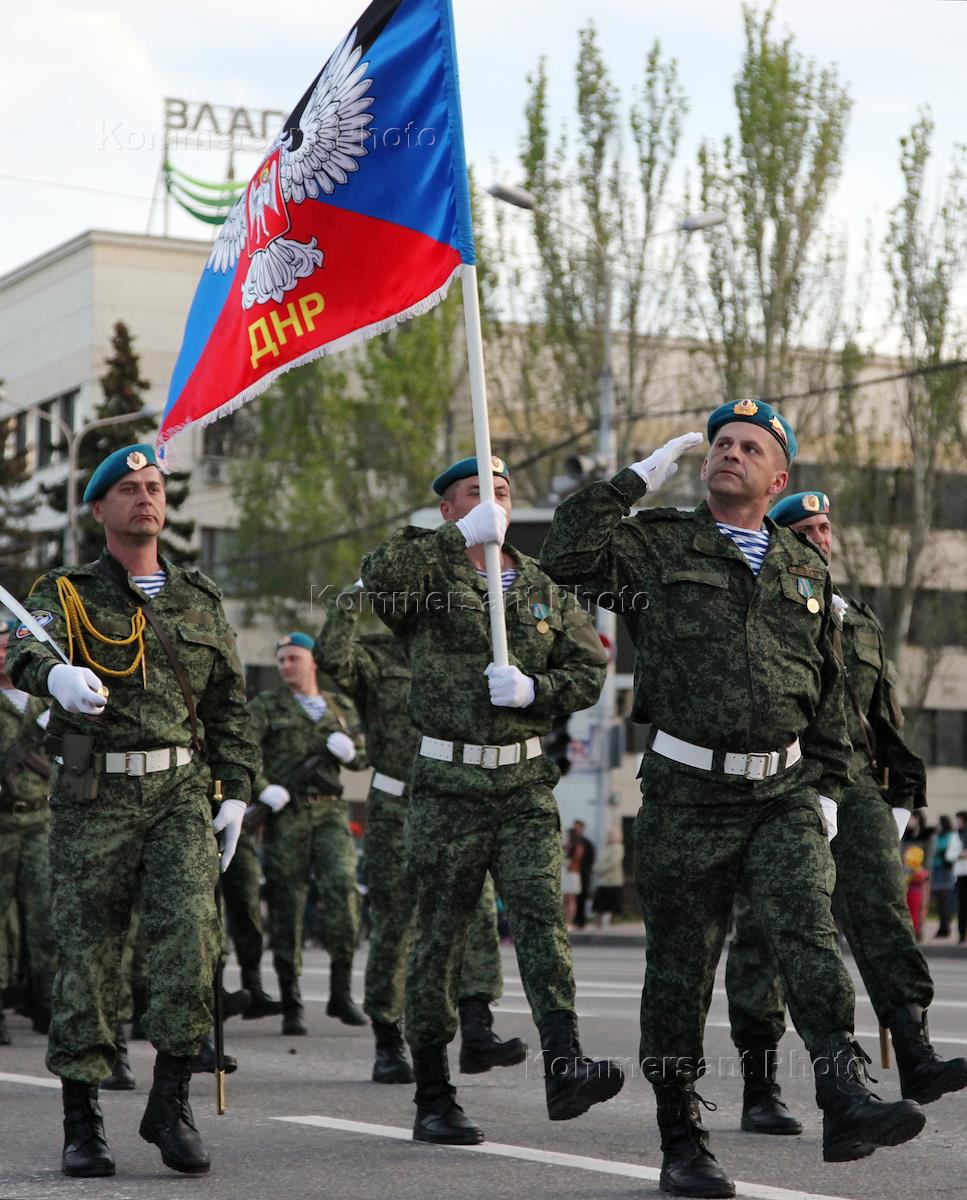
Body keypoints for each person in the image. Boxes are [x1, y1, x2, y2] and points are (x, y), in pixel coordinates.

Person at [541, 404, 925, 1196]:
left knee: (808, 934)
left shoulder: (802, 565)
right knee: (680, 971)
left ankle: (842, 1096)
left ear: (776, 479)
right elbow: (566, 557)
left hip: (782, 791)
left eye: (749, 448)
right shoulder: (657, 545)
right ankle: (680, 1136)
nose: (729, 452)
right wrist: (631, 481)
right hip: (686, 794)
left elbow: (828, 690)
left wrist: (825, 789)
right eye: (721, 443)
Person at [8, 443, 258, 1179]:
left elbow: (229, 707)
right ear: (99, 509)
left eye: (154, 487)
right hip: (96, 796)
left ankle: (170, 1100)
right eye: (128, 489)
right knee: (88, 953)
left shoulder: (199, 597)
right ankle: (81, 1121)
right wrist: (55, 675)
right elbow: (24, 647)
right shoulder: (66, 590)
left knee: (191, 942)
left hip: (180, 793)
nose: (145, 497)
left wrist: (237, 791)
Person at [361, 455, 624, 1145]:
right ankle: (433, 1093)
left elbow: (588, 668)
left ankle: (564, 1064)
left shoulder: (539, 586)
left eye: (502, 492)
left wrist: (537, 691)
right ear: (449, 508)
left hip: (523, 779)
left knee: (540, 918)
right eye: (477, 492)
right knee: (439, 936)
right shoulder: (427, 574)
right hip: (448, 784)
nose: (494, 501)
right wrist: (457, 539)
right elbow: (378, 580)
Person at [724, 491, 967, 1141]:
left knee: (883, 906)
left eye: (825, 527)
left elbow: (882, 715)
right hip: (781, 778)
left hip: (854, 781)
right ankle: (759, 1086)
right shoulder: (761, 608)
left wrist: (902, 793)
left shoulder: (856, 619)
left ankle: (914, 1052)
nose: (819, 537)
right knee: (768, 930)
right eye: (804, 529)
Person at [314, 583, 527, 1085]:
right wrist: (350, 599)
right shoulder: (375, 656)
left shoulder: (459, 648)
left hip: (458, 797)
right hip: (398, 804)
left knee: (478, 909)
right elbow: (330, 658)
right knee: (397, 921)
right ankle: (388, 1037)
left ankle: (477, 1028)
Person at [247, 632, 367, 1035]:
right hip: (288, 814)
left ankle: (341, 991)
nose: (285, 666)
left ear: (312, 661)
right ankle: (291, 1002)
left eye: (293, 658)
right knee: (287, 903)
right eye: (281, 660)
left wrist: (352, 752)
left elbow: (363, 755)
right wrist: (264, 789)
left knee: (343, 887)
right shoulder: (266, 706)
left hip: (331, 813)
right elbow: (243, 752)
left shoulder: (340, 707)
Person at [0, 619, 55, 1046]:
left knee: (45, 913)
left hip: (40, 820)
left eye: (7, 647)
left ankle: (44, 999)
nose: (2, 656)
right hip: (1, 823)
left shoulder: (45, 702)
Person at [929, 815, 961, 938]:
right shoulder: (936, 837)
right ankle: (942, 927)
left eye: (939, 824)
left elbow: (951, 853)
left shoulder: (951, 836)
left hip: (947, 871)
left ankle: (945, 927)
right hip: (937, 869)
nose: (937, 826)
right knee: (939, 901)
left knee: (946, 900)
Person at [592, 828, 625, 929]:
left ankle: (608, 924)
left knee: (611, 903)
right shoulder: (606, 848)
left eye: (612, 834)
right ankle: (598, 924)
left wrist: (602, 870)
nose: (610, 837)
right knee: (600, 903)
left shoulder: (618, 848)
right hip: (602, 880)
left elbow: (613, 862)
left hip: (613, 880)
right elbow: (599, 861)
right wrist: (596, 869)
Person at [572, 819, 595, 929]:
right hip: (573, 873)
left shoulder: (587, 843)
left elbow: (591, 858)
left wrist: (587, 870)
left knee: (582, 897)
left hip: (584, 873)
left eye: (578, 828)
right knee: (573, 898)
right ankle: (574, 919)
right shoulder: (572, 842)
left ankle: (581, 920)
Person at [904, 846, 930, 941]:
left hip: (916, 895)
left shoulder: (918, 872)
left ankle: (916, 933)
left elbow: (925, 887)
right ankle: (915, 932)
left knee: (916, 915)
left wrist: (926, 899)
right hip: (913, 894)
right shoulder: (915, 871)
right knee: (913, 915)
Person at [561, 828, 583, 929]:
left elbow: (575, 860)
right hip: (565, 874)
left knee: (571, 899)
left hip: (572, 874)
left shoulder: (577, 847)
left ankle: (570, 922)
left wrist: (565, 862)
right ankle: (563, 921)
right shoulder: (564, 847)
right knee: (564, 899)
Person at [954, 812, 967, 944]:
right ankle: (962, 935)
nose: (956, 822)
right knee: (962, 907)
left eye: (958, 820)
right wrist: (960, 854)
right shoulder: (957, 835)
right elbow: (951, 854)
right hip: (961, 874)